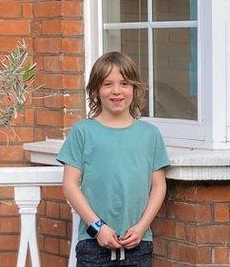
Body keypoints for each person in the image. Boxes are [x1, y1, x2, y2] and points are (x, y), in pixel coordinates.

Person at [58, 52, 170, 266]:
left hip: (138, 245)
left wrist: (142, 227)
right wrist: (97, 227)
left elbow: (158, 187)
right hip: (93, 245)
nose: (117, 91)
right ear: (96, 90)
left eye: (124, 83)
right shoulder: (82, 132)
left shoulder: (150, 134)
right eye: (108, 84)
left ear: (135, 89)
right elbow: (70, 184)